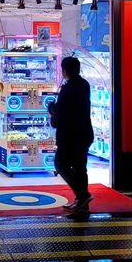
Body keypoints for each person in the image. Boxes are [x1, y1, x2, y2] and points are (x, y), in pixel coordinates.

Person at [48, 57, 94, 213]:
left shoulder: (67, 89)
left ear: (65, 70)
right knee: (81, 167)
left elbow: (60, 113)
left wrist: (51, 107)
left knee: (60, 164)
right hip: (84, 133)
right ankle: (82, 203)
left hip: (69, 135)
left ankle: (83, 195)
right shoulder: (84, 85)